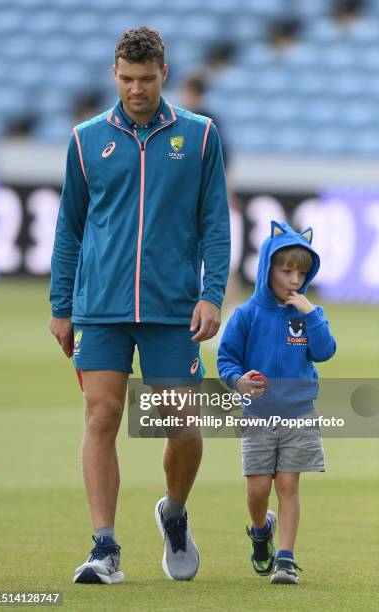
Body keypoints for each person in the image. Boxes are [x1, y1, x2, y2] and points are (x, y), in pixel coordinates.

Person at [49, 26, 230, 584]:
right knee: (101, 416)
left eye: (146, 79)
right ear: (114, 75)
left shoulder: (199, 137)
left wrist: (212, 293)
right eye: (126, 79)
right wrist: (61, 304)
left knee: (181, 424)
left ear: (163, 75)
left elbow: (215, 224)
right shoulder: (85, 140)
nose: (135, 89)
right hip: (99, 305)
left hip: (174, 306)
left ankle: (174, 512)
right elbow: (69, 228)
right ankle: (104, 548)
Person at [217, 220, 336, 585]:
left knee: (288, 485)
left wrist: (311, 315)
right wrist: (238, 381)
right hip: (257, 415)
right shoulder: (247, 315)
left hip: (299, 413)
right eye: (287, 271)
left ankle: (286, 558)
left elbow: (326, 351)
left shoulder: (308, 314)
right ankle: (259, 530)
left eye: (302, 273)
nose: (295, 281)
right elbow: (226, 360)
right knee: (257, 490)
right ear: (268, 268)